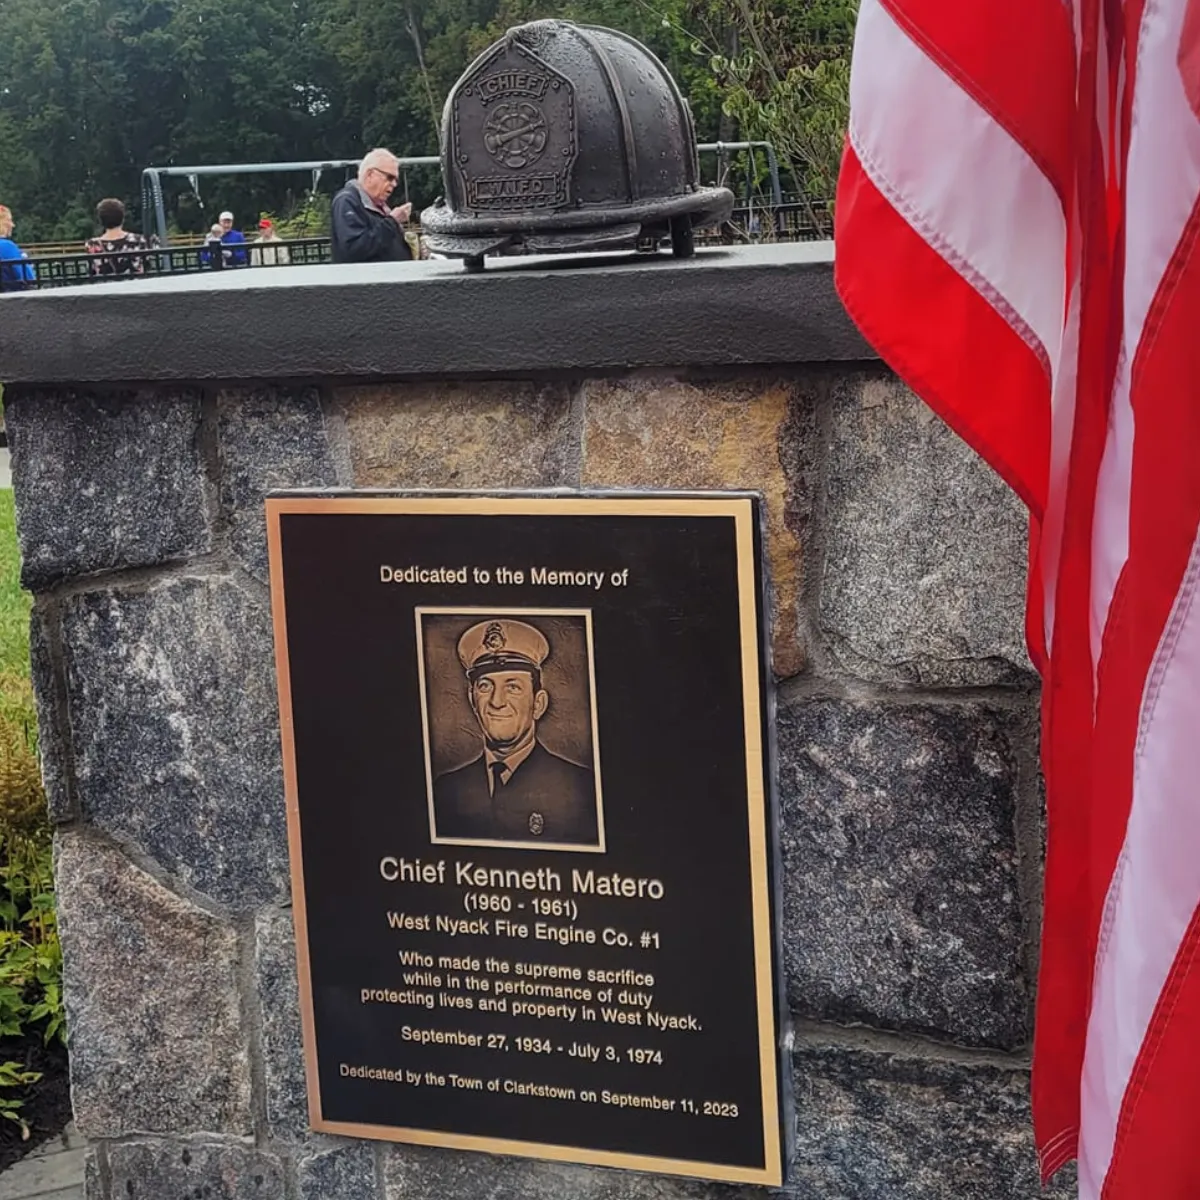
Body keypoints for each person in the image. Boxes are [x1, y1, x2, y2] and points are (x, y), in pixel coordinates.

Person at [432, 619, 599, 845]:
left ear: (538, 704)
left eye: (513, 687)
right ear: (472, 700)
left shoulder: (582, 789)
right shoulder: (444, 792)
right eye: (485, 686)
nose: (497, 701)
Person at [330, 149, 413, 264]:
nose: (394, 184)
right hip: (365, 280)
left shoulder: (378, 205)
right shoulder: (347, 201)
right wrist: (393, 221)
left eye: (396, 180)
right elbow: (354, 249)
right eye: (389, 177)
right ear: (370, 175)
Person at [85, 198, 148, 277]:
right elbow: (146, 268)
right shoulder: (138, 240)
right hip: (136, 287)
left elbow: (91, 273)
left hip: (104, 287)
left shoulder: (92, 244)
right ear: (122, 218)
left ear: (101, 220)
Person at [0, 205, 35, 292]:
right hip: (9, 299)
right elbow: (28, 278)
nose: (13, 225)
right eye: (9, 220)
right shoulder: (7, 246)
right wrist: (26, 262)